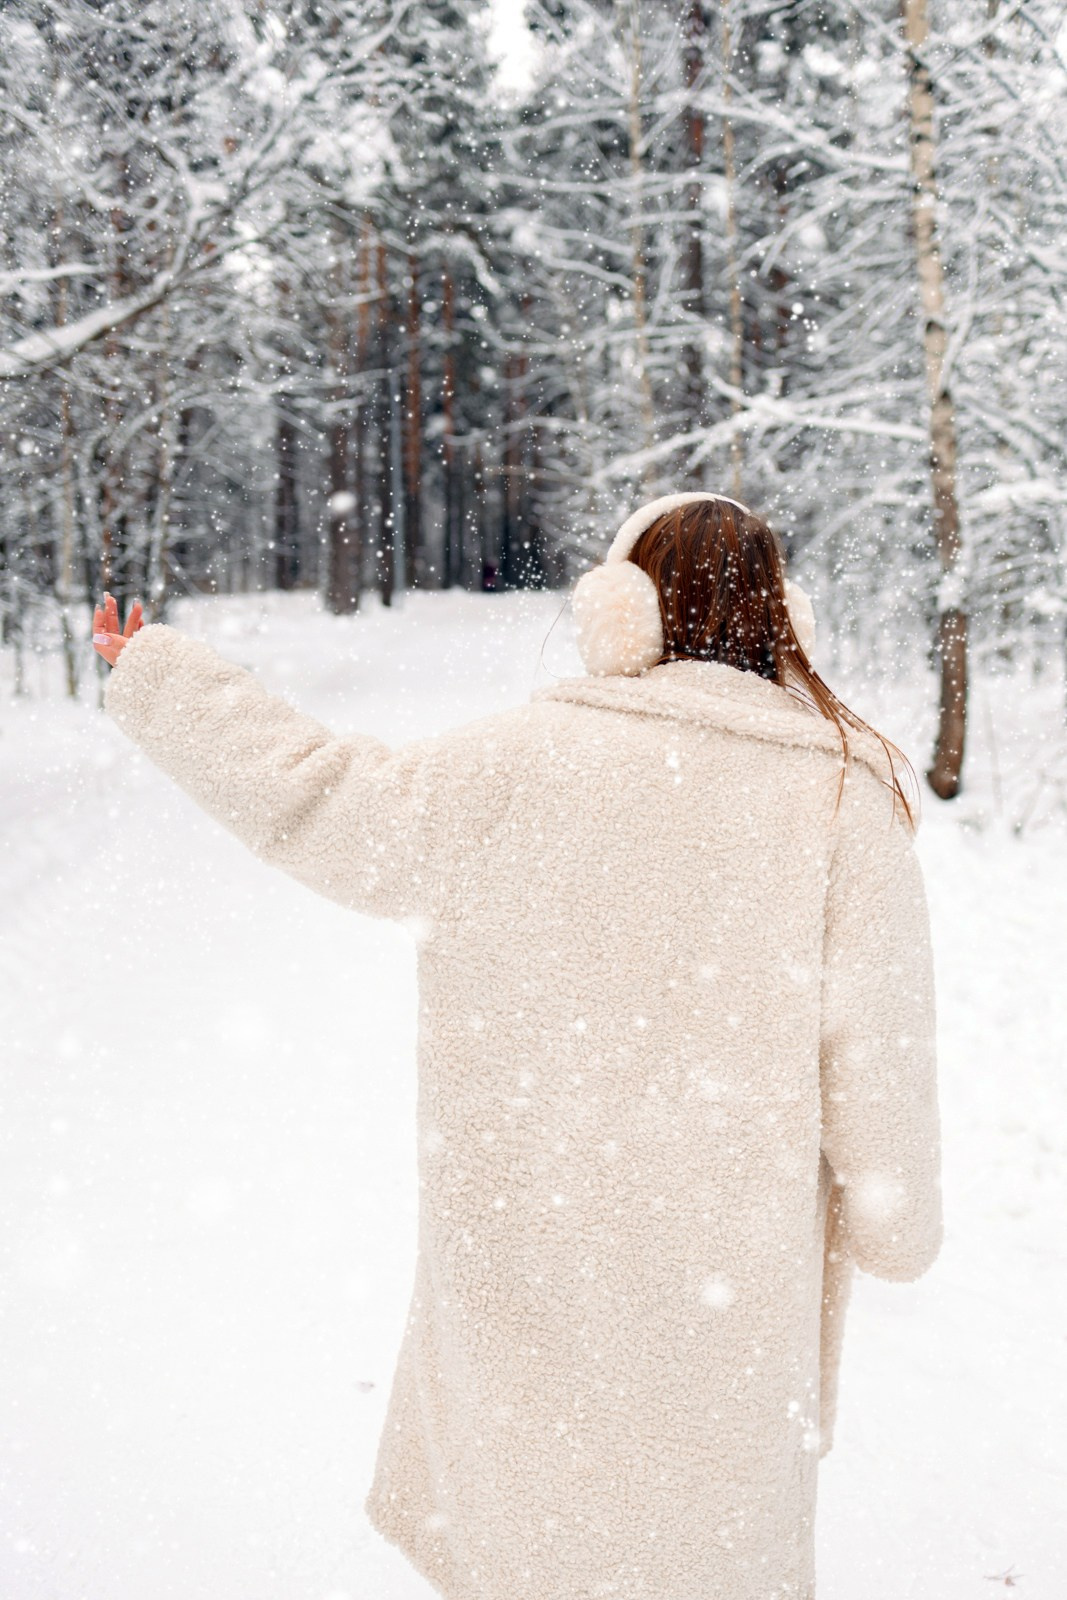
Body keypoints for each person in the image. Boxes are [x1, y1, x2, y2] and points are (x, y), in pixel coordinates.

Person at [93, 490, 943, 1600]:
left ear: (621, 608)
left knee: (536, 1538)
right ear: (782, 614)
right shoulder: (838, 792)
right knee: (704, 1537)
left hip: (532, 1265)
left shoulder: (521, 759)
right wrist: (894, 1222)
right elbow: (880, 1053)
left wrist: (163, 681)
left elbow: (322, 797)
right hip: (726, 1292)